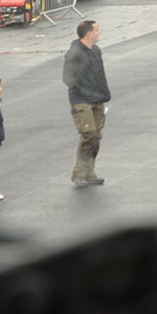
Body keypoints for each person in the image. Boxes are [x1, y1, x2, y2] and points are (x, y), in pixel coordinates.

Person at [62, 19, 110, 188]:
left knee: (96, 137)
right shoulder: (74, 53)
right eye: (97, 30)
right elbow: (68, 78)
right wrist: (83, 91)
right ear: (89, 33)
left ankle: (90, 172)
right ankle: (79, 174)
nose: (99, 33)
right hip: (81, 100)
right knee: (89, 135)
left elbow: (100, 75)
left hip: (97, 99)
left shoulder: (96, 51)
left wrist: (103, 94)